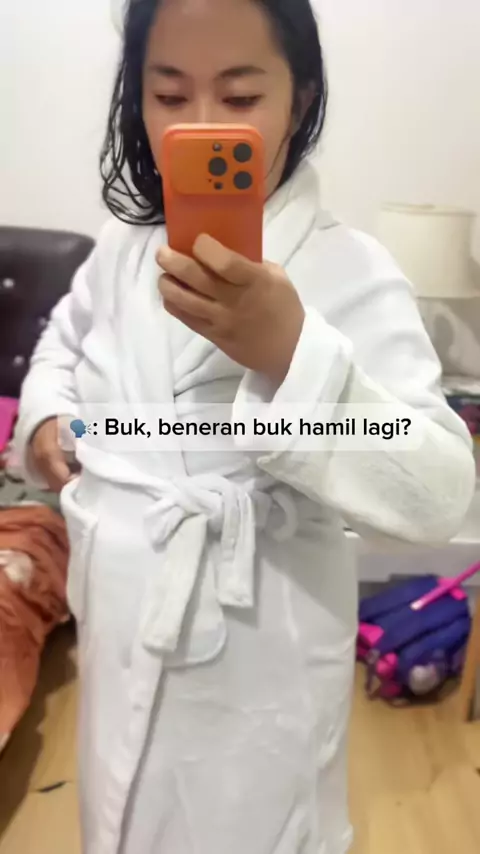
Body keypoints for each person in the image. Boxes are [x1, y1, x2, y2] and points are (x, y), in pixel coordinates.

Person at [15, 1, 475, 852]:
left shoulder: (349, 269)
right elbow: (62, 344)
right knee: (119, 816)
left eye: (238, 98)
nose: (199, 125)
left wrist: (293, 354)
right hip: (121, 619)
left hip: (258, 645)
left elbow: (442, 491)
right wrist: (46, 417)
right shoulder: (121, 249)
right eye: (168, 94)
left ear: (299, 101)